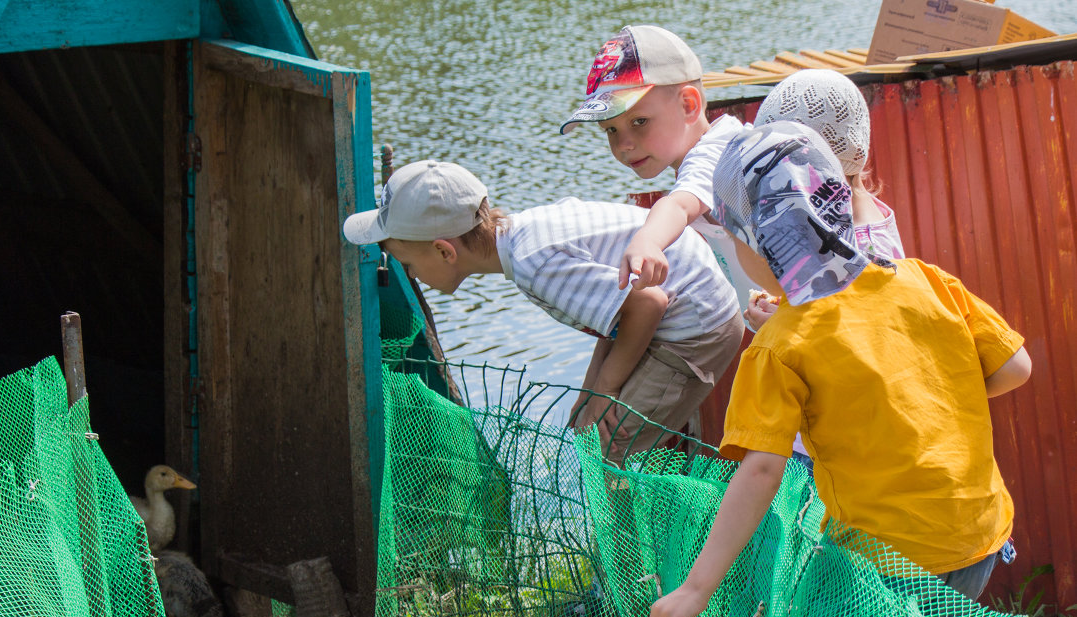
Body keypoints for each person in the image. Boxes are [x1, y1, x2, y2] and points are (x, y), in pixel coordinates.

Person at [647, 122, 1032, 617]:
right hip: (978, 536)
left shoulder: (780, 346)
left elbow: (761, 471)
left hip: (887, 560)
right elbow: (1016, 368)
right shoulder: (924, 280)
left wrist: (695, 588)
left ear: (761, 241)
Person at [342, 159, 743, 463]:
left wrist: (605, 392)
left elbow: (648, 302)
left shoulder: (533, 264)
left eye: (408, 265)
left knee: (607, 451)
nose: (410, 275)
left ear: (445, 251)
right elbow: (616, 314)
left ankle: (636, 571)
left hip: (697, 326)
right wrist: (590, 393)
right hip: (671, 314)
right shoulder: (522, 238)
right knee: (588, 429)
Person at [745, 69, 908, 475]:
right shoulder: (863, 216)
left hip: (832, 445)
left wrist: (778, 323)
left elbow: (849, 339)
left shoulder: (862, 246)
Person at [560, 24, 764, 319]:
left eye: (639, 121)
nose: (623, 145)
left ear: (688, 105)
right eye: (611, 130)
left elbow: (679, 204)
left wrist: (649, 241)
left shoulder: (723, 151)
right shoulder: (704, 154)